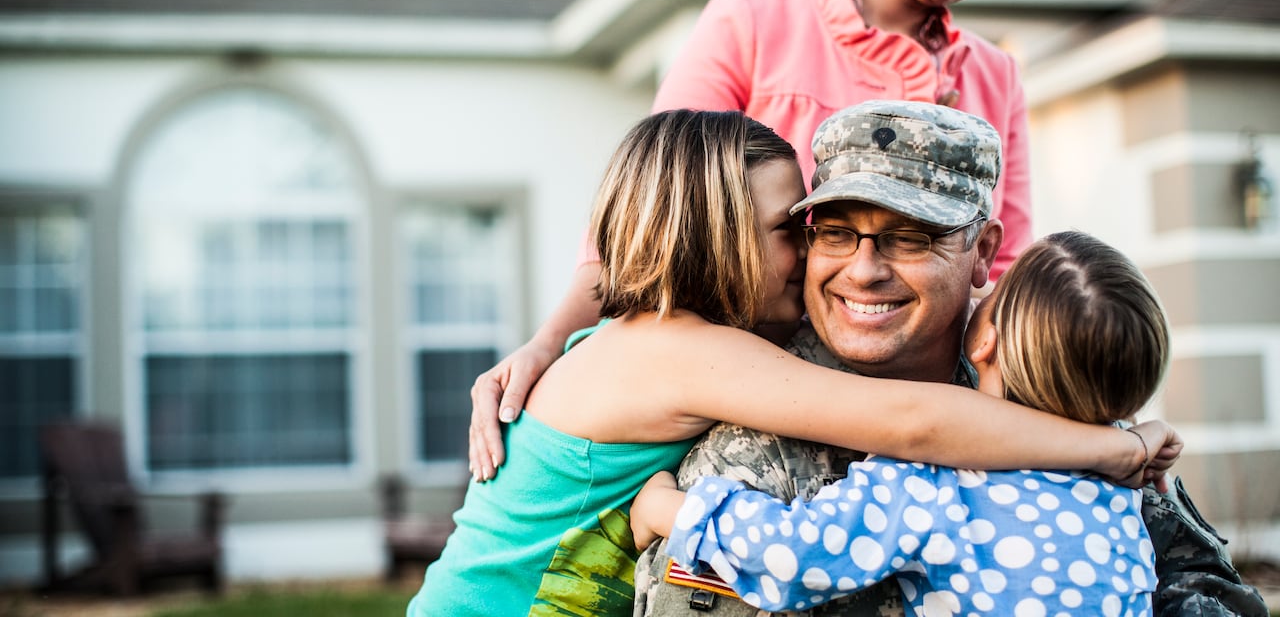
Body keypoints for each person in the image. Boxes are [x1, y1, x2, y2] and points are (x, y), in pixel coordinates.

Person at [406, 108, 1170, 617]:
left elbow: (607, 273)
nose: (815, 257)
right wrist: (1110, 447)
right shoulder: (684, 353)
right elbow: (913, 423)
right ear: (714, 239)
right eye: (795, 230)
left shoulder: (652, 327)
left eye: (908, 238)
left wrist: (544, 338)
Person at [469, 0, 1083, 476]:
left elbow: (1008, 278)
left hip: (942, 419)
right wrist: (549, 345)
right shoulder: (751, 25)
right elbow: (652, 217)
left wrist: (1072, 415)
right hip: (767, 420)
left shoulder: (995, 75)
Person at [631, 100, 1268, 617]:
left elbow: (1206, 587)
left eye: (910, 237)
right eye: (835, 231)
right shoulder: (749, 443)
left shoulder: (1044, 383)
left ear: (985, 250)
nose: (864, 270)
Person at [630, 230, 1172, 615]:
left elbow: (798, 555)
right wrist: (1140, 439)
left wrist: (673, 509)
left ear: (985, 340)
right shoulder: (1119, 477)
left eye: (997, 289)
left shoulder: (934, 482)